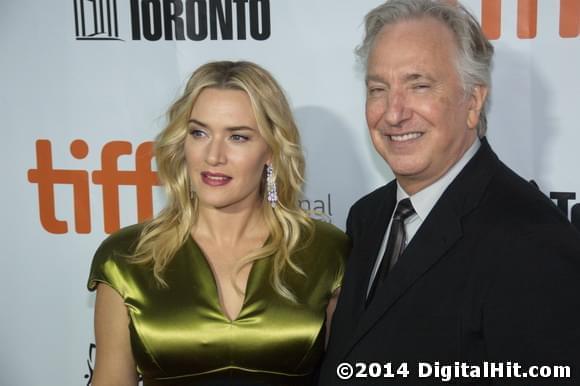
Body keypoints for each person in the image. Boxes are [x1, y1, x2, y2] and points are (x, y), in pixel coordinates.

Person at [319, 1, 580, 385]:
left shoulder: (534, 242)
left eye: (419, 85)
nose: (393, 113)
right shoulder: (367, 217)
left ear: (472, 102)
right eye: (378, 88)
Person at [87, 61, 349, 386]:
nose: (213, 155)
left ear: (271, 150)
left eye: (237, 137)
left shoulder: (325, 252)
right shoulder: (127, 257)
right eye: (199, 133)